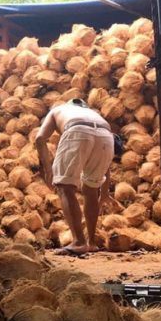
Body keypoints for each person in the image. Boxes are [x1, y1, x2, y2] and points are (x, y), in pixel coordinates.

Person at [35, 98, 117, 255]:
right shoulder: (92, 114)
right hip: (107, 137)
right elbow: (106, 166)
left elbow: (40, 138)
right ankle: (91, 242)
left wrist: (48, 169)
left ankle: (79, 242)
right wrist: (104, 192)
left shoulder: (57, 110)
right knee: (91, 190)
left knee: (65, 187)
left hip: (77, 131)